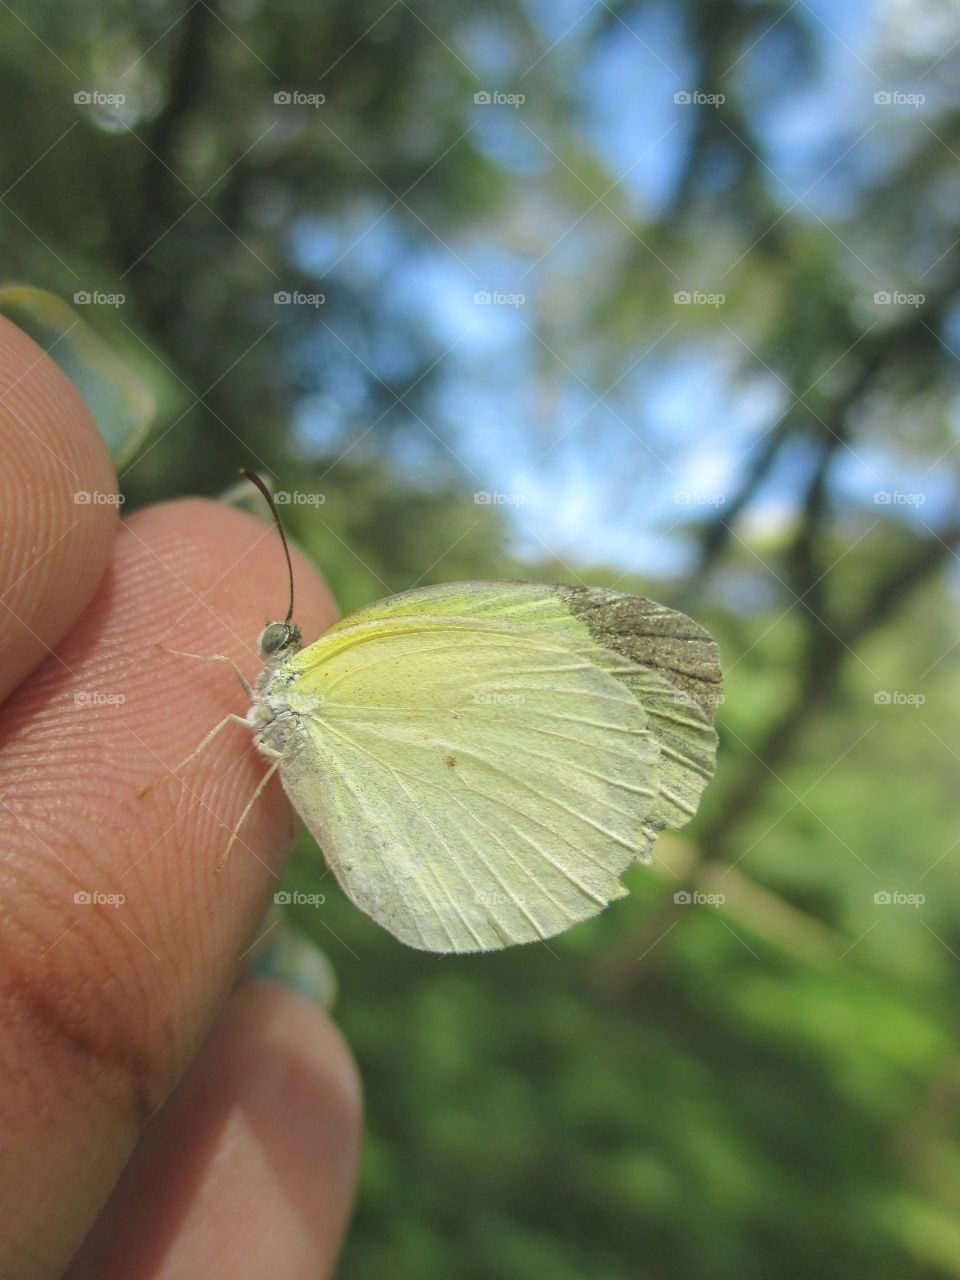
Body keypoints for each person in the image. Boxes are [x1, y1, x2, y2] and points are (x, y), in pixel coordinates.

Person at [0, 316, 361, 1279]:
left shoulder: (300, 681)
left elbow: (249, 713)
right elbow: (244, 708)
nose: (269, 647)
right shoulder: (273, 683)